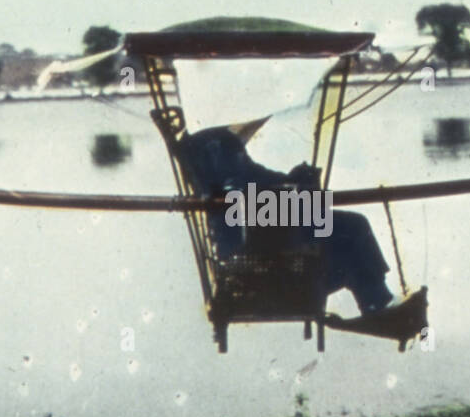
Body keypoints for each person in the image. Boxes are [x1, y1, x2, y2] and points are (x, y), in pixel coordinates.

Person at [159, 108, 422, 322]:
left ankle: (378, 303)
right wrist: (297, 190)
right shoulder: (214, 147)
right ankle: (377, 303)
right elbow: (240, 193)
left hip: (267, 241)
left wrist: (294, 179)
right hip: (260, 251)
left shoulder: (216, 146)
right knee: (353, 226)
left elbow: (258, 178)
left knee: (346, 235)